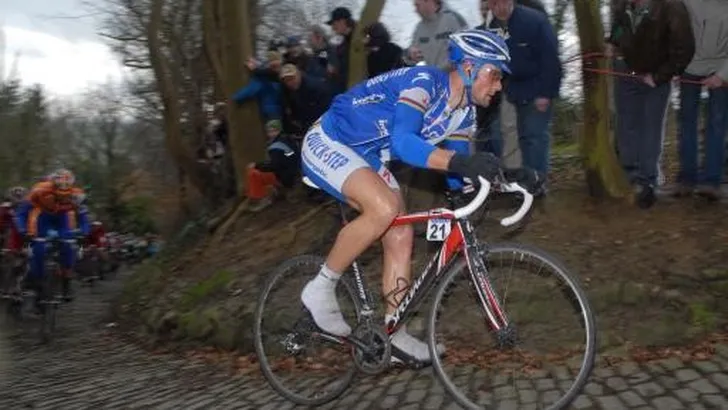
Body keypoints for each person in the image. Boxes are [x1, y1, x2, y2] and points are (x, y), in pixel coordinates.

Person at [299, 29, 541, 364]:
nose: (499, 85)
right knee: (384, 208)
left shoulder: (464, 113)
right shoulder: (425, 82)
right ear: (469, 68)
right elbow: (403, 143)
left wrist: (509, 178)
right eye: (495, 74)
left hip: (366, 156)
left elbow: (460, 174)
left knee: (399, 231)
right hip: (328, 140)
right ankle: (321, 287)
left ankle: (394, 335)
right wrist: (461, 162)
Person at [16, 169, 89, 303]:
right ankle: (33, 280)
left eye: (65, 196)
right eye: (58, 193)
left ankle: (66, 283)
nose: (61, 198)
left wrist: (84, 234)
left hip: (62, 220)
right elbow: (21, 213)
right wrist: (23, 231)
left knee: (69, 248)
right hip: (43, 218)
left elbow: (84, 218)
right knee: (38, 250)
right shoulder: (39, 191)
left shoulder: (77, 195)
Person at [246, 119, 300, 211]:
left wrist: (257, 165)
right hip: (294, 173)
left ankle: (262, 199)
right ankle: (273, 191)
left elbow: (274, 166)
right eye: (269, 131)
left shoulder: (276, 146)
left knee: (253, 173)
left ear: (279, 130)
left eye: (273, 131)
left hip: (285, 177)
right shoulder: (288, 139)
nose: (271, 133)